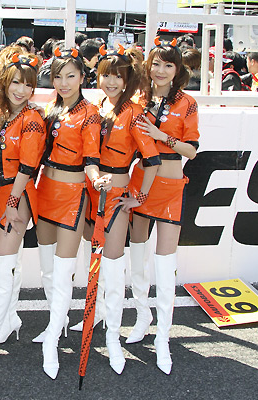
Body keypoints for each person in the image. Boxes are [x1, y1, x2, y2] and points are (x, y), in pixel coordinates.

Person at [130, 38, 199, 375]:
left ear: (177, 70)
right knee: (137, 257)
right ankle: (142, 316)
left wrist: (162, 136)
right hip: (140, 183)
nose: (160, 70)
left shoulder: (187, 103)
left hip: (171, 188)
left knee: (165, 263)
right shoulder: (138, 99)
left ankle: (163, 337)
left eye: (168, 65)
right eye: (156, 63)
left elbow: (192, 151)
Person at [91, 44, 160, 375]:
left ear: (128, 80)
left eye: (118, 76)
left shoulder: (135, 112)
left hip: (117, 196)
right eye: (106, 75)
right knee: (96, 263)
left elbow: (153, 160)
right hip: (91, 191)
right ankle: (99, 315)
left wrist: (139, 198)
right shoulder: (95, 107)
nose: (111, 82)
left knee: (113, 264)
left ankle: (113, 337)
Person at [34, 47, 103, 379]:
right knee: (47, 270)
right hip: (44, 190)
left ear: (82, 77)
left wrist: (96, 178)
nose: (63, 83)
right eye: (58, 76)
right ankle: (56, 323)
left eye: (70, 76)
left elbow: (91, 158)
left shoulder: (90, 113)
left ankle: (51, 342)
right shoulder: (50, 108)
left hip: (73, 196)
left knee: (63, 272)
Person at [0, 46, 45, 369]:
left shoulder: (32, 119)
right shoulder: (2, 112)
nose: (22, 90)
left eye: (29, 84)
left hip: (19, 194)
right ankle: (9, 320)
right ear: (4, 82)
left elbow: (27, 168)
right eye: (16, 82)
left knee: (3, 266)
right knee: (10, 261)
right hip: (3, 191)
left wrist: (14, 203)